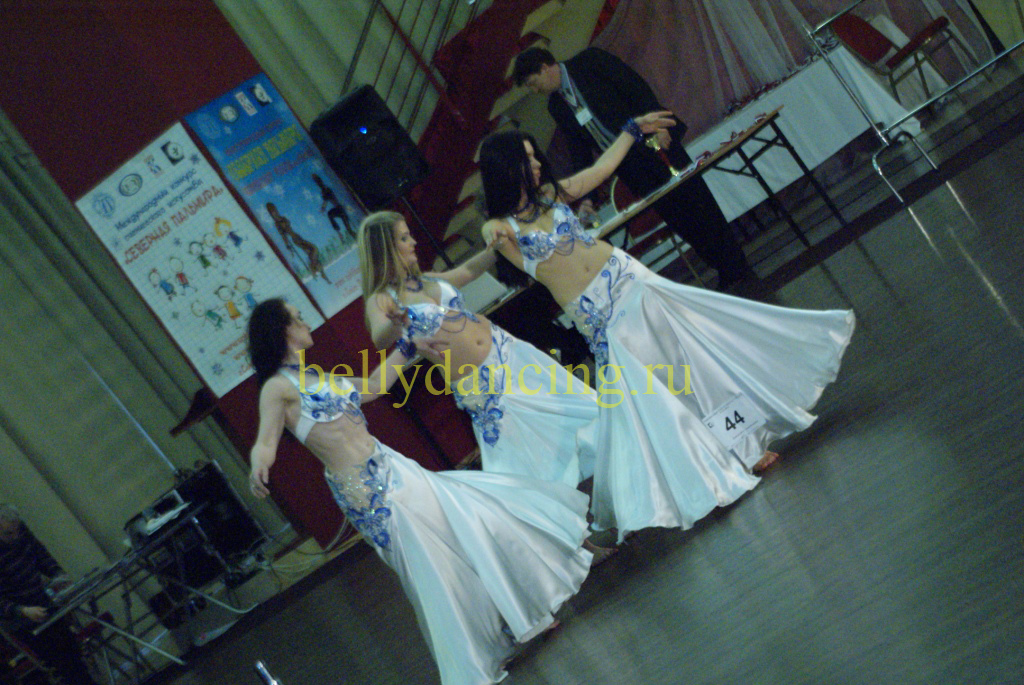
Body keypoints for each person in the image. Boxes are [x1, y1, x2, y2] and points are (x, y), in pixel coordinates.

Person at [478, 125, 855, 542]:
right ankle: (708, 466)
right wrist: (492, 233)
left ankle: (746, 447)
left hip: (630, 279)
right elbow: (490, 234)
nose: (536, 163)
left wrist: (632, 131)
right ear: (507, 168)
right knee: (658, 393)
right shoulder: (501, 228)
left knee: (692, 364)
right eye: (527, 158)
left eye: (535, 155)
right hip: (597, 314)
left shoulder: (553, 194)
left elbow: (601, 170)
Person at [246, 299, 592, 685]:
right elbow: (265, 440)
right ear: (282, 331)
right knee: (434, 566)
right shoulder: (276, 387)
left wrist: (409, 346)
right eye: (297, 319)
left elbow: (374, 387)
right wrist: (259, 464)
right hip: (369, 494)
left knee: (468, 521)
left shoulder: (313, 375)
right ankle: (477, 658)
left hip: (394, 468)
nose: (305, 322)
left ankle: (521, 615)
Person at [359, 210, 609, 487]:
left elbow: (467, 271)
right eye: (405, 238)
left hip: (506, 351)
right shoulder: (381, 299)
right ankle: (560, 500)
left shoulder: (427, 279)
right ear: (386, 248)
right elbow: (380, 337)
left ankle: (608, 472)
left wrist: (495, 248)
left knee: (567, 407)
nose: (414, 242)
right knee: (518, 453)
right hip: (478, 383)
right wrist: (396, 323)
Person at [512, 46, 753, 291]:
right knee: (678, 219)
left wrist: (660, 126)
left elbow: (636, 88)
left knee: (699, 205)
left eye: (533, 83)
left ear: (544, 68)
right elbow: (579, 151)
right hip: (629, 167)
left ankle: (738, 264)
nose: (535, 91)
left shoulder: (589, 62)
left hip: (654, 144)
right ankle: (723, 269)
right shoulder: (556, 106)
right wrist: (587, 197)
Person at [0, 504, 100, 685]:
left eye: (17, 531)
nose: (15, 537)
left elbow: (40, 553)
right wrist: (21, 610)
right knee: (62, 664)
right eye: (8, 534)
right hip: (20, 617)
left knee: (74, 653)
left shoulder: (18, 529)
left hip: (40, 600)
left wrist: (58, 575)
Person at [265, 202, 329, 282]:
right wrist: (287, 245)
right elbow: (283, 236)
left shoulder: (282, 218)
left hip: (297, 236)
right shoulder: (277, 224)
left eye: (274, 210)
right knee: (313, 250)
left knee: (312, 252)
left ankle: (318, 272)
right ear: (271, 214)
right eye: (272, 212)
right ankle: (316, 271)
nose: (274, 213)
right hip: (295, 239)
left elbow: (287, 228)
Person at [312, 173, 355, 239]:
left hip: (340, 209)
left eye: (317, 182)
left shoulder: (326, 190)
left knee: (348, 229)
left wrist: (323, 208)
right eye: (316, 182)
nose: (318, 184)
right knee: (348, 229)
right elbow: (326, 200)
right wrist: (323, 208)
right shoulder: (324, 190)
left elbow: (327, 200)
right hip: (340, 209)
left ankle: (339, 231)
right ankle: (339, 231)